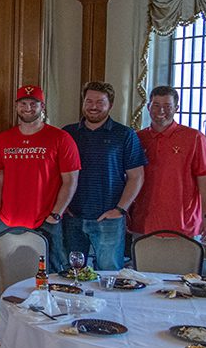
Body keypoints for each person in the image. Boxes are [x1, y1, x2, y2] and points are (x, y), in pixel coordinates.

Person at [0, 86, 81, 273]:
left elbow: (70, 181)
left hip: (46, 222)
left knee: (54, 275)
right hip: (8, 221)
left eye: (34, 104)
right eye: (23, 103)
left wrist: (56, 214)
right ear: (16, 106)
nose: (28, 108)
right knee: (11, 273)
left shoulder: (61, 138)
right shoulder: (3, 139)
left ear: (43, 106)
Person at [62, 82, 146, 270]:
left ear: (110, 105)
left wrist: (120, 209)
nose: (93, 106)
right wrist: (62, 206)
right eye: (89, 101)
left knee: (109, 277)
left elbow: (136, 176)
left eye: (100, 102)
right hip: (72, 218)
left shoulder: (125, 134)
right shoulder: (67, 133)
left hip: (109, 219)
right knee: (71, 276)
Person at [130, 85, 206, 240]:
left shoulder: (194, 138)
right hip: (144, 223)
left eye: (167, 106)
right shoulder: (137, 139)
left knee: (185, 265)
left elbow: (205, 178)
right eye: (156, 105)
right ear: (148, 107)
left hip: (184, 225)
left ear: (176, 108)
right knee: (143, 265)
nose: (161, 111)